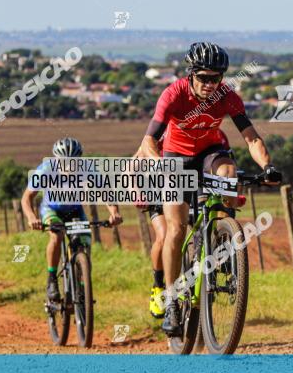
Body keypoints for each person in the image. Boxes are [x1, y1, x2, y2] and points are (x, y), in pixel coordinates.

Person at [138, 42, 278, 337]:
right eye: (203, 78)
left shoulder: (227, 96)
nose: (209, 84)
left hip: (210, 152)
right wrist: (160, 165)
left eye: (216, 78)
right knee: (175, 230)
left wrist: (267, 167)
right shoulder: (173, 94)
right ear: (191, 75)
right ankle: (173, 299)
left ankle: (220, 238)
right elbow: (149, 141)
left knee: (227, 173)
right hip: (175, 156)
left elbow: (251, 137)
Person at [139, 129, 233, 319]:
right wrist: (137, 191)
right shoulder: (163, 135)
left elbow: (223, 164)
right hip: (159, 187)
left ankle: (216, 257)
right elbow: (133, 166)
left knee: (213, 212)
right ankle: (159, 286)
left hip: (193, 183)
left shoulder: (216, 135)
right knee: (165, 235)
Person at [22, 138, 123, 303]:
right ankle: (52, 278)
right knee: (57, 235)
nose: (69, 166)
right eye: (64, 162)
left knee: (84, 244)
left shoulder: (88, 170)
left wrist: (114, 213)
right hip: (51, 210)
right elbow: (26, 198)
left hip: (75, 210)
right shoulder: (45, 170)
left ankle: (82, 285)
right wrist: (32, 218)